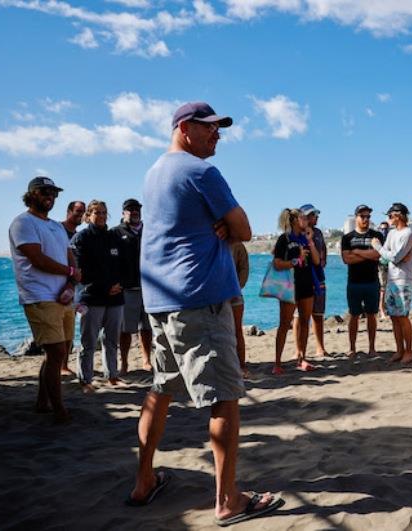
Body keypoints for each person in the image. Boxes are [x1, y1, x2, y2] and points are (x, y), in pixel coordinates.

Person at [129, 102, 282, 523]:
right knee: (225, 398)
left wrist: (220, 226)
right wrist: (227, 227)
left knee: (160, 390)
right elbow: (246, 230)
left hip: (162, 301)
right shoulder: (200, 172)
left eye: (219, 128)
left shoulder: (154, 172)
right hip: (199, 299)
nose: (218, 135)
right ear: (183, 128)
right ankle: (228, 499)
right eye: (209, 127)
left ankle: (144, 481)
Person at [9, 176, 79, 424]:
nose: (50, 196)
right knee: (56, 351)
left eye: (54, 192)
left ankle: (42, 401)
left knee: (58, 352)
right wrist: (70, 273)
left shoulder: (57, 227)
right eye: (45, 191)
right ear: (32, 194)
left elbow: (69, 256)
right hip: (39, 296)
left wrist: (71, 283)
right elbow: (36, 259)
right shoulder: (23, 223)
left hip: (63, 297)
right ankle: (59, 409)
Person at [71, 200, 125, 390]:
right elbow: (81, 272)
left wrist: (119, 285)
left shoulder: (113, 237)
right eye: (96, 213)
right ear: (88, 216)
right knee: (89, 343)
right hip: (92, 298)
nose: (101, 216)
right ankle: (85, 380)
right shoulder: (81, 238)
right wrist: (105, 287)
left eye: (103, 212)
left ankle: (112, 376)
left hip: (116, 298)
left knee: (111, 341)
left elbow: (123, 265)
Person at [271, 208, 321, 374]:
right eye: (303, 218)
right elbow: (277, 263)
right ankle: (277, 363)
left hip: (307, 284)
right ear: (294, 221)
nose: (306, 220)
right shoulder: (284, 239)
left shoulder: (305, 239)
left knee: (305, 322)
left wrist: (310, 241)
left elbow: (316, 260)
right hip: (289, 286)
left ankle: (302, 358)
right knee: (284, 324)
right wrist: (295, 260)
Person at [372, 203, 412, 364]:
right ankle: (399, 350)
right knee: (394, 317)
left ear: (398, 215)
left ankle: (409, 351)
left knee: (403, 316)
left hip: (404, 279)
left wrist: (379, 248)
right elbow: (386, 257)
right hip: (392, 278)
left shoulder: (408, 233)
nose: (388, 219)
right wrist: (389, 254)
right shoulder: (391, 233)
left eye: (390, 216)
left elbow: (395, 257)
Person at [112, 198, 153, 375]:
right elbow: (110, 260)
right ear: (123, 213)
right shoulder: (115, 232)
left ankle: (147, 360)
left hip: (150, 288)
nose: (134, 212)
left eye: (136, 209)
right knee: (126, 330)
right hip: (127, 289)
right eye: (130, 209)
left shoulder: (149, 231)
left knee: (147, 328)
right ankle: (125, 363)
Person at [341, 205, 383, 358]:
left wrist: (357, 252)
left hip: (372, 281)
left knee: (372, 315)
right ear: (356, 217)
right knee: (354, 315)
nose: (365, 219)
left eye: (368, 216)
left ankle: (372, 348)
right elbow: (347, 259)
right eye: (362, 216)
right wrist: (368, 254)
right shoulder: (347, 238)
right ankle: (352, 348)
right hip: (354, 282)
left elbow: (378, 254)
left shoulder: (376, 235)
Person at [294, 204, 329, 358]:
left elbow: (323, 254)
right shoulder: (296, 234)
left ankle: (320, 348)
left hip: (318, 277)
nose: (316, 217)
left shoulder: (319, 233)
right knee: (299, 316)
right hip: (302, 279)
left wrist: (321, 264)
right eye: (313, 215)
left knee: (318, 314)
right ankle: (298, 350)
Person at [59, 200, 85, 375]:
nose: (80, 215)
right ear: (68, 211)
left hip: (75, 285)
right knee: (58, 326)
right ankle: (59, 365)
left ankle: (64, 364)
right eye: (77, 211)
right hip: (57, 284)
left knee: (69, 326)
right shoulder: (57, 230)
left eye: (82, 212)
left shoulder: (79, 235)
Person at [230, 241, 250, 376]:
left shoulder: (237, 244)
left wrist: (235, 288)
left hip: (233, 294)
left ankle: (241, 366)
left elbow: (244, 269)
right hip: (213, 296)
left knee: (237, 331)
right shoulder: (209, 240)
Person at [376, 220, 391, 320]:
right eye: (382, 229)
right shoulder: (377, 241)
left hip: (390, 265)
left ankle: (386, 308)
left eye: (385, 229)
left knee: (389, 288)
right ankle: (381, 310)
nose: (384, 231)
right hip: (380, 266)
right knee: (382, 288)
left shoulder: (390, 240)